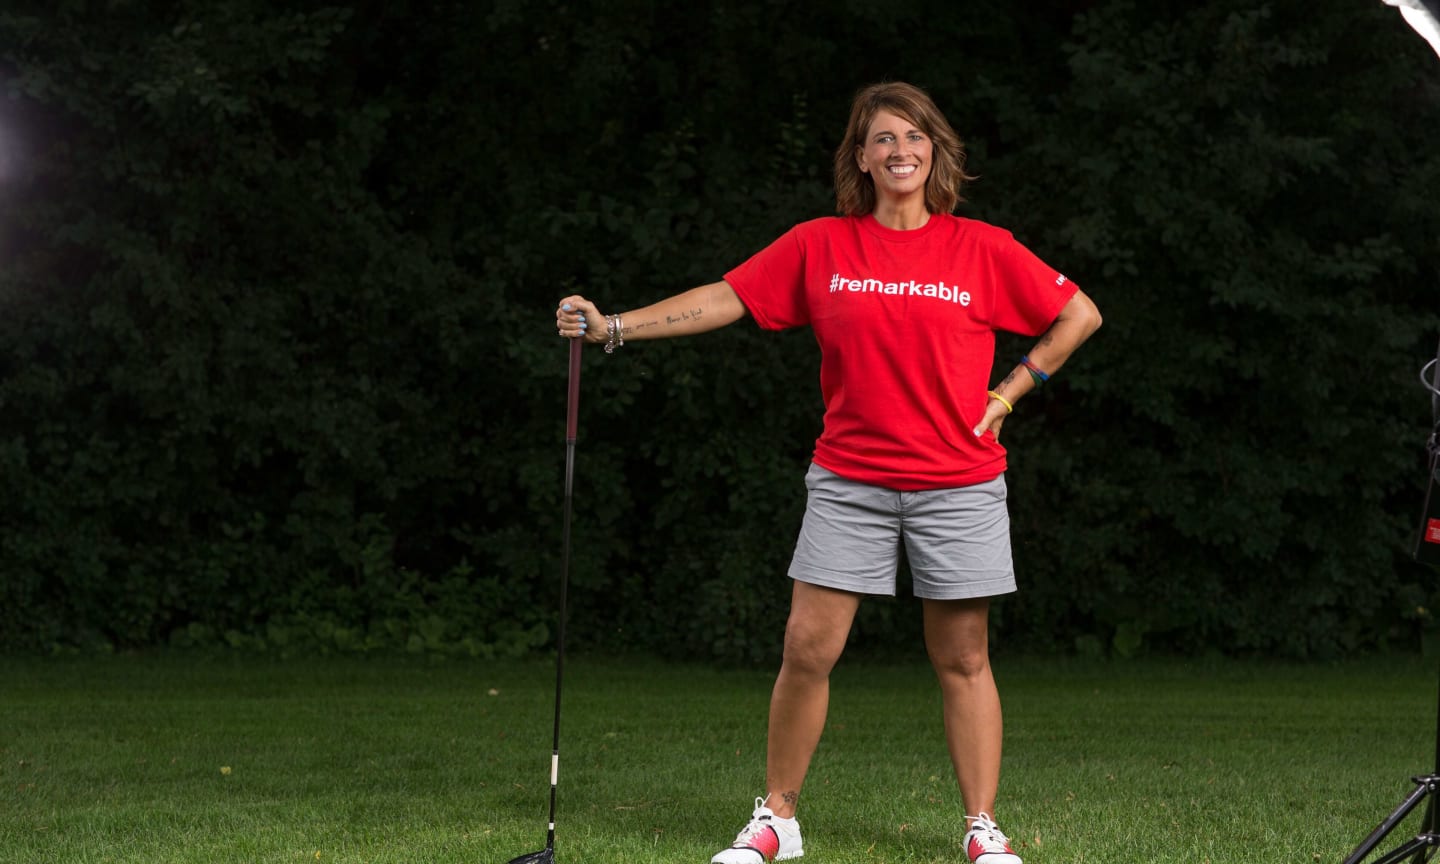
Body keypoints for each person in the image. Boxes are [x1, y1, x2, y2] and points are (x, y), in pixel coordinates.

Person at [554, 81, 1101, 864]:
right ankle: (778, 818)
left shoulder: (982, 247)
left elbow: (1079, 312)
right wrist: (612, 328)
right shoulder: (822, 245)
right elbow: (728, 296)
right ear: (861, 158)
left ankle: (983, 829)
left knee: (964, 656)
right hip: (851, 481)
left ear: (936, 152)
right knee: (807, 648)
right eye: (882, 139)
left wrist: (1011, 393)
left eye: (914, 137)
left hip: (959, 480)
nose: (900, 150)